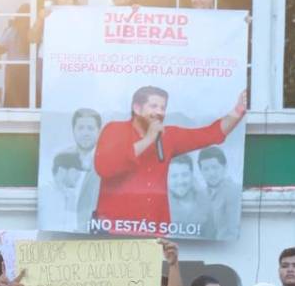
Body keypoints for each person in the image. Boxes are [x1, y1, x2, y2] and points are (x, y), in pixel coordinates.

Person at [93, 86, 248, 234]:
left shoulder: (168, 136)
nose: (159, 112)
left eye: (163, 107)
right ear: (137, 108)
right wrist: (148, 140)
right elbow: (104, 167)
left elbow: (211, 134)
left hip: (153, 230)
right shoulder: (114, 129)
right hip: (113, 229)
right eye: (153, 106)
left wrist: (238, 110)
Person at [166, 155, 215, 238]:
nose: (180, 181)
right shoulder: (159, 204)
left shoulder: (207, 202)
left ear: (192, 175)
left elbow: (212, 237)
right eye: (174, 176)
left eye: (185, 175)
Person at [198, 147, 241, 240]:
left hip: (224, 250)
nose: (211, 173)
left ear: (225, 167)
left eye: (215, 167)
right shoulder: (201, 194)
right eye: (206, 169)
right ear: (200, 171)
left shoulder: (234, 191)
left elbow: (232, 232)